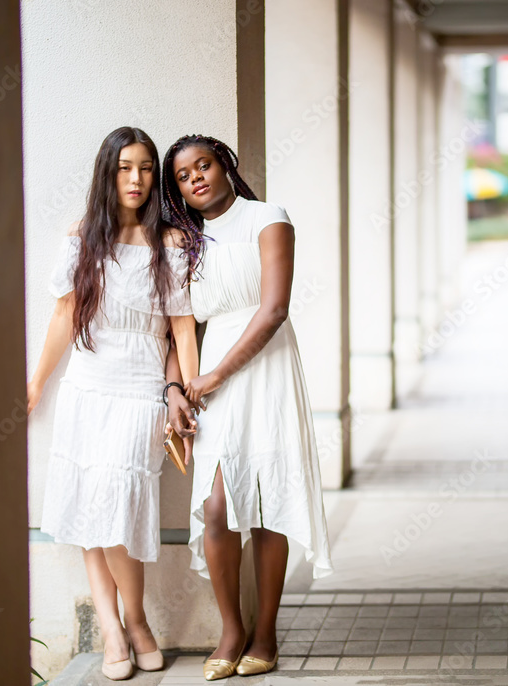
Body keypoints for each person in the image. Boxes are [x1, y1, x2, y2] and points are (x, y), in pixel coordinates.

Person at [29, 127, 199, 681]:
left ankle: (137, 620)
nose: (136, 179)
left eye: (147, 167)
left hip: (139, 390)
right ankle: (114, 630)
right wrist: (35, 385)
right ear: (108, 172)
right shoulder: (84, 238)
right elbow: (62, 317)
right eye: (125, 167)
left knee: (119, 512)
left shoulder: (170, 242)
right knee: (90, 512)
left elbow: (181, 330)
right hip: (86, 388)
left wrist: (189, 396)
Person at [161, 134, 333, 680]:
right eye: (184, 177)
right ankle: (231, 629)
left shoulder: (267, 217)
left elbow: (274, 308)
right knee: (217, 506)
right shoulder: (183, 241)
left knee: (267, 498)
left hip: (266, 368)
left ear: (225, 163)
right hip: (211, 377)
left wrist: (214, 374)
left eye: (203, 166)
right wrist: (179, 387)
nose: (196, 180)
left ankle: (266, 633)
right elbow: (177, 328)